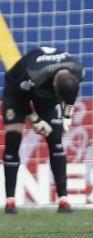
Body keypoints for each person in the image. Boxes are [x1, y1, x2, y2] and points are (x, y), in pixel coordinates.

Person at [3, 47, 83, 214]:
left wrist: (67, 115)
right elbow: (20, 96)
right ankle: (10, 201)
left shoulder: (78, 70)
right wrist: (34, 119)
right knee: (13, 141)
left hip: (46, 96)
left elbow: (71, 94)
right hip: (16, 90)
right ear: (54, 83)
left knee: (56, 140)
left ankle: (63, 200)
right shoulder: (34, 74)